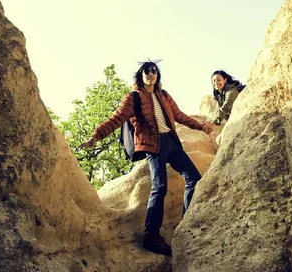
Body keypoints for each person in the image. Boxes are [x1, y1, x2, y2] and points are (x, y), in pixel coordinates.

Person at [80, 61, 214, 256]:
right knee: (160, 187)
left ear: (157, 75)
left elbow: (179, 116)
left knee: (194, 178)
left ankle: (186, 221)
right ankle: (151, 236)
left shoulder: (164, 95)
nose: (151, 74)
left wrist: (201, 126)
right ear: (140, 76)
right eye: (146, 71)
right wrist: (97, 135)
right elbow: (116, 118)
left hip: (172, 142)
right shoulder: (133, 97)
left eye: (154, 71)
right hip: (153, 145)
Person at [208, 70, 243, 146]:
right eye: (213, 81)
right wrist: (209, 122)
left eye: (219, 80)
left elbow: (226, 107)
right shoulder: (220, 95)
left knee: (221, 139)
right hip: (234, 122)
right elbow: (217, 112)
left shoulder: (232, 90)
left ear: (225, 80)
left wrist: (214, 122)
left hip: (242, 119)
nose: (216, 83)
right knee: (219, 140)